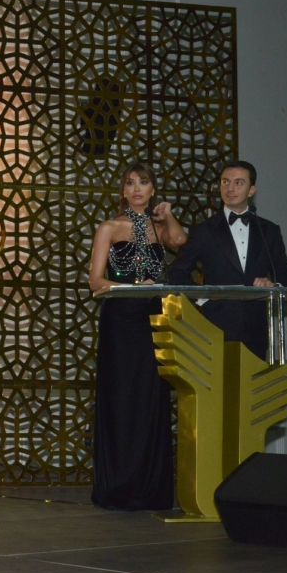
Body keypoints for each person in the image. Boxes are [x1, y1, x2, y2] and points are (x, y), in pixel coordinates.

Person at [88, 162, 187, 511]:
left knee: (150, 397)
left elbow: (180, 241)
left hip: (153, 316)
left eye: (143, 182)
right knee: (122, 396)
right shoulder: (110, 227)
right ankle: (119, 485)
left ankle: (150, 488)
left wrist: (167, 214)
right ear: (122, 191)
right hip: (120, 319)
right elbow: (95, 281)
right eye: (130, 183)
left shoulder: (159, 228)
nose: (136, 189)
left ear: (153, 190)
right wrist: (132, 286)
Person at [167, 160, 287, 360]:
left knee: (253, 380)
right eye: (225, 182)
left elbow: (286, 279)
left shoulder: (269, 231)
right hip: (214, 325)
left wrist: (272, 285)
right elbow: (176, 273)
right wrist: (203, 298)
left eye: (238, 183)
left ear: (252, 190)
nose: (230, 188)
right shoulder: (203, 231)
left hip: (256, 328)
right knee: (218, 380)